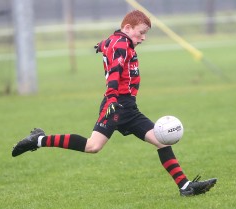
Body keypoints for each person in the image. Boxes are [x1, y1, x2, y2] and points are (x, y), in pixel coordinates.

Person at [12, 10, 217, 196]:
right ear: (127, 28)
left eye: (145, 33)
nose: (143, 38)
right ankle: (38, 140)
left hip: (129, 108)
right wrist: (111, 97)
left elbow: (111, 47)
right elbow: (115, 73)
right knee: (93, 146)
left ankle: (185, 186)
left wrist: (103, 45)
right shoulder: (120, 44)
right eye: (141, 32)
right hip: (116, 105)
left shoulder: (119, 41)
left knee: (161, 140)